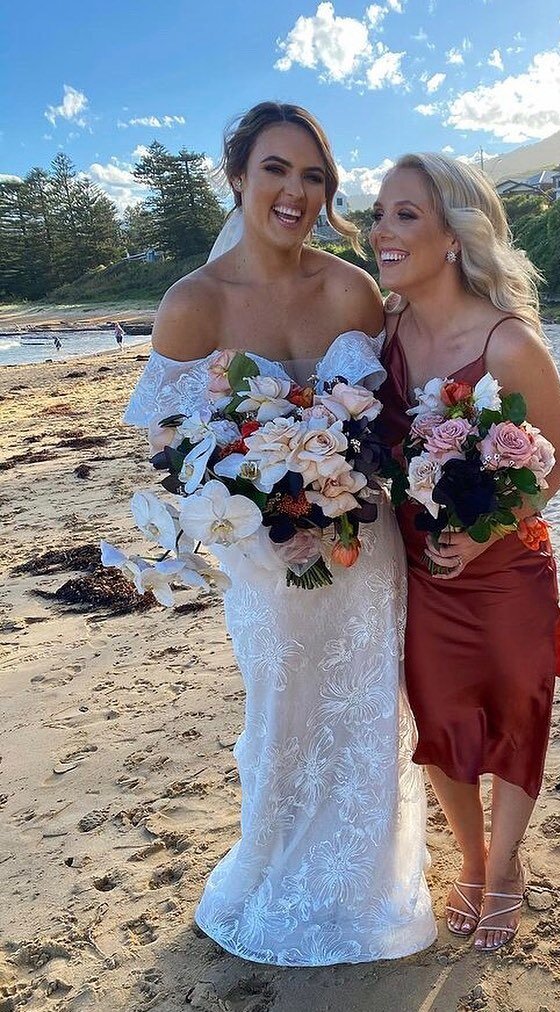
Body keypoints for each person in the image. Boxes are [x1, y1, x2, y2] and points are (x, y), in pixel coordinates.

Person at [122, 103, 435, 966]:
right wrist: (259, 522)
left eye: (313, 176)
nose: (294, 191)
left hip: (359, 551)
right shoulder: (193, 304)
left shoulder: (349, 289)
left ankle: (364, 886)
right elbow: (178, 457)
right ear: (237, 177)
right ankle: (269, 866)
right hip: (261, 563)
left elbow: (386, 418)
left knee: (368, 703)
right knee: (282, 707)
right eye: (276, 169)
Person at [372, 153, 560, 952]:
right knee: (439, 721)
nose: (382, 230)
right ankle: (472, 855)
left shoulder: (506, 342)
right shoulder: (379, 332)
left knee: (516, 714)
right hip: (420, 571)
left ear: (454, 236)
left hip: (505, 572)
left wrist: (485, 532)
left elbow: (554, 460)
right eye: (379, 213)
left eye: (405, 215)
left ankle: (506, 866)